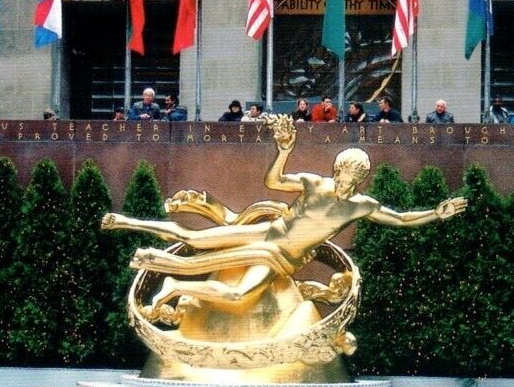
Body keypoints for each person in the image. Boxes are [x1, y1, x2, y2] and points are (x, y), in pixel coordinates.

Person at [102, 115, 467, 314]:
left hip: (283, 259)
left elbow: (401, 219)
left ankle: (175, 286)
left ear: (362, 179)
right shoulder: (313, 183)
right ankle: (127, 222)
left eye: (356, 178)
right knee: (194, 238)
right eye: (345, 175)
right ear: (337, 171)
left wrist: (436, 213)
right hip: (267, 234)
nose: (349, 183)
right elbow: (273, 181)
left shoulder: (361, 206)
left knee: (237, 295)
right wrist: (284, 150)